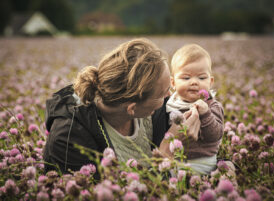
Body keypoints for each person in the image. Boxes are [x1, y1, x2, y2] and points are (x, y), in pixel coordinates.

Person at [43, 38, 201, 177]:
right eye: (162, 93)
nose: (170, 94)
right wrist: (166, 153)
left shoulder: (151, 108)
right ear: (132, 109)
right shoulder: (69, 138)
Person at [156, 44, 224, 174]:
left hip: (204, 163)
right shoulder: (169, 104)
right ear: (173, 83)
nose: (194, 82)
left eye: (201, 78)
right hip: (175, 160)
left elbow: (215, 135)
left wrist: (205, 114)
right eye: (186, 78)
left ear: (210, 82)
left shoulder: (212, 106)